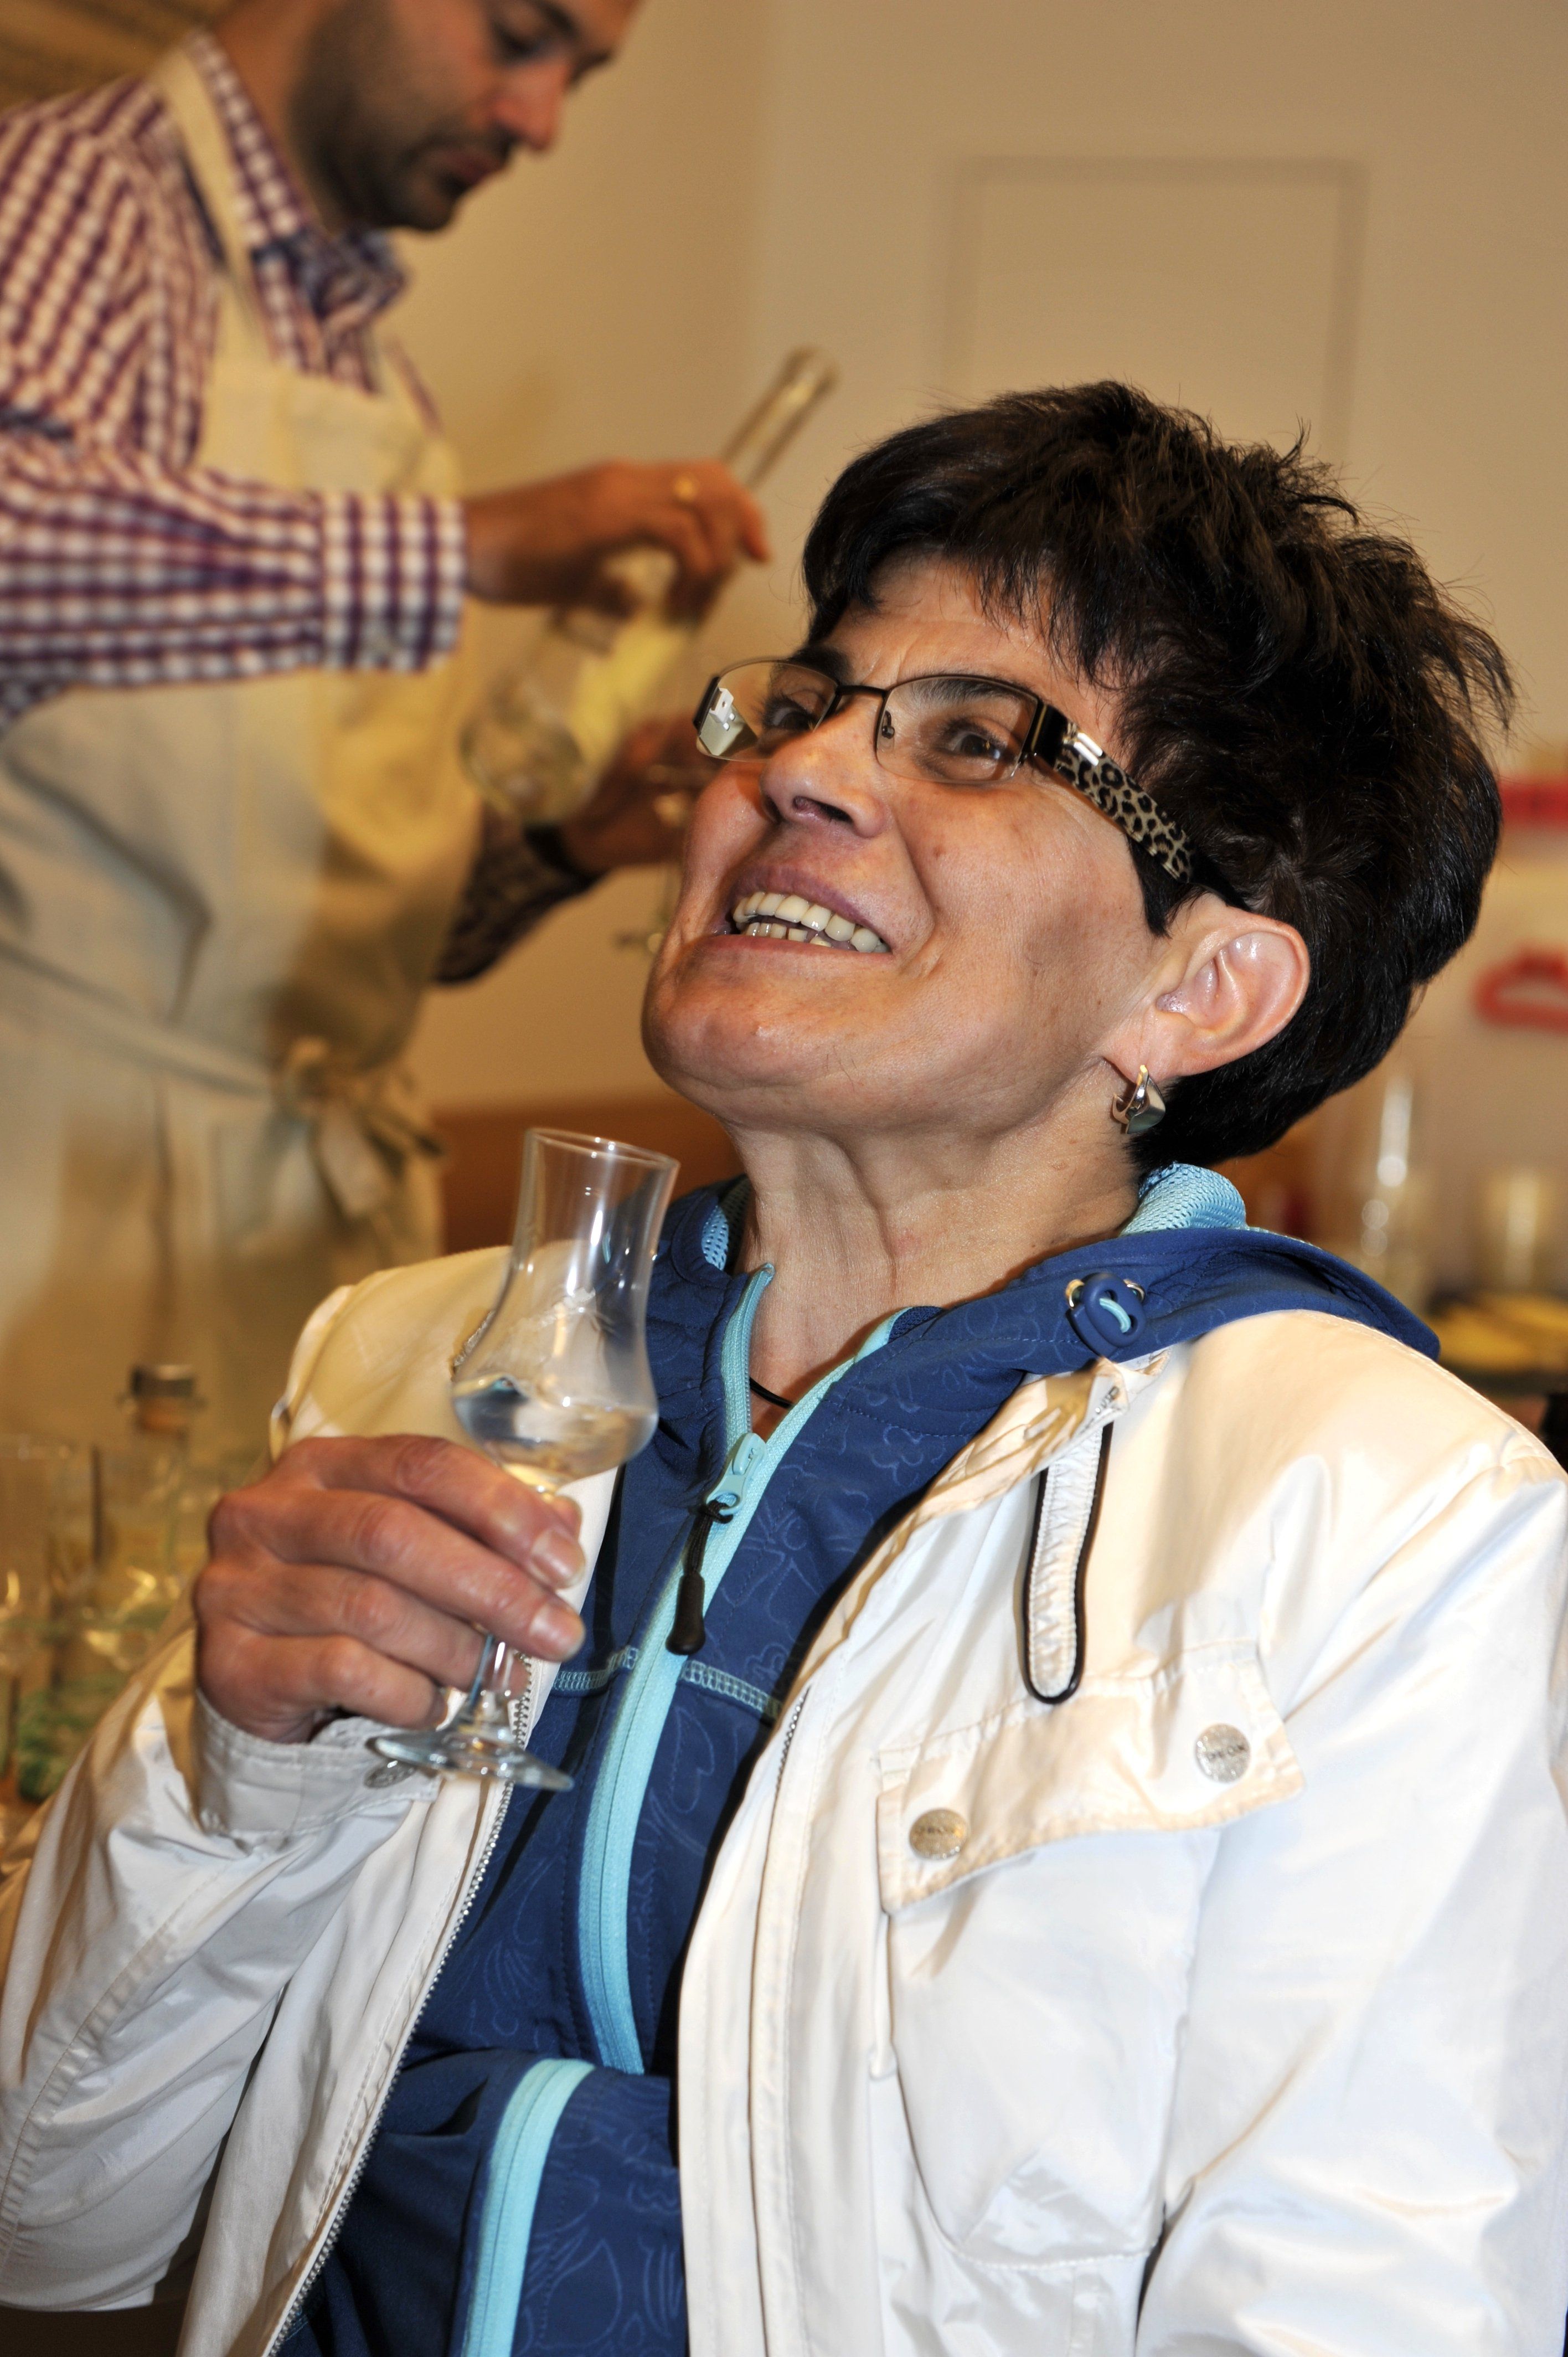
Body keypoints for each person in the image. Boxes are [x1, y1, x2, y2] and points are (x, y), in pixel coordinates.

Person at [3, 382, 1567, 2357]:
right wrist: (232, 1765)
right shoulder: (420, 1357)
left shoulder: (1385, 1521)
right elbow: (51, 2219)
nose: (800, 769)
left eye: (979, 742)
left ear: (1201, 985)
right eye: (806, 703)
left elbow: (1369, 2305)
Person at [0, 0, 764, 1449]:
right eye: (517, 35)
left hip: (302, 1244)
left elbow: (307, 948)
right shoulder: (69, 196)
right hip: (49, 1216)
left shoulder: (370, 375)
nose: (540, 121)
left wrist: (556, 848)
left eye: (579, 76)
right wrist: (464, 548)